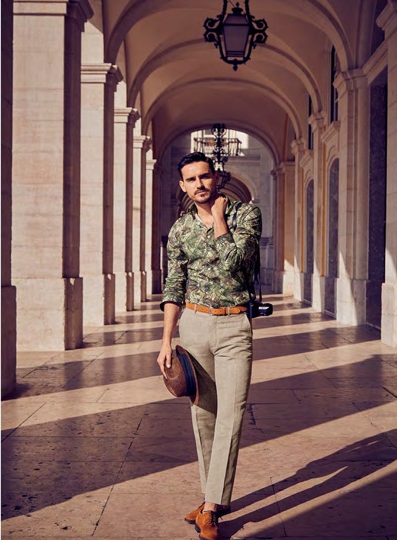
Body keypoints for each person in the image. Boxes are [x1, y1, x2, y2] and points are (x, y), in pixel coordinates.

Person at [156, 151, 261, 540]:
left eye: (204, 177)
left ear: (216, 178)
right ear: (182, 185)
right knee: (204, 417)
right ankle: (209, 499)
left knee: (232, 414)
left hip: (234, 325)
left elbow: (238, 262)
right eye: (191, 180)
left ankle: (212, 507)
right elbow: (174, 286)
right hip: (195, 326)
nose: (199, 185)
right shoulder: (180, 230)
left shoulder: (245, 215)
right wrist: (167, 338)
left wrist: (218, 219)